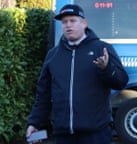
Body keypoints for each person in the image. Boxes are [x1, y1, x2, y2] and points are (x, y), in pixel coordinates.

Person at [26, 4, 129, 144]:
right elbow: (43, 94)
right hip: (63, 134)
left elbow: (121, 81)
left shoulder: (102, 49)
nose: (68, 25)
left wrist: (106, 68)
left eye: (72, 21)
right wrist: (35, 123)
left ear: (84, 23)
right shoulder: (53, 55)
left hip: (96, 134)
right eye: (64, 22)